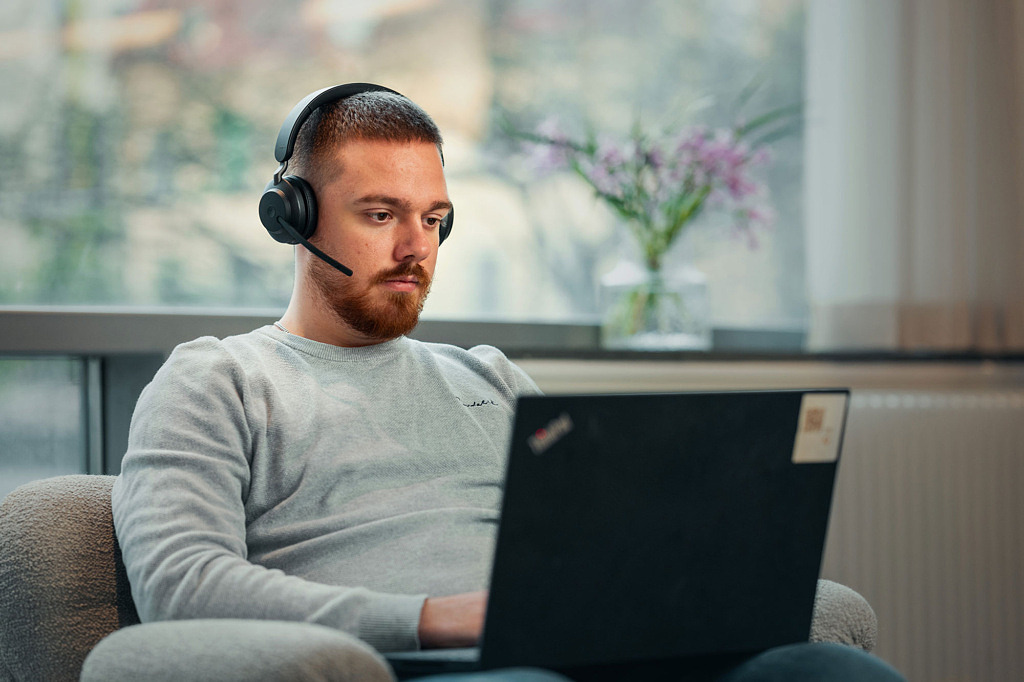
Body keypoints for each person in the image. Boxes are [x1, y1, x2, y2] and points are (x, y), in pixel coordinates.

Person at [111, 84, 905, 682]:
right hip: (421, 667)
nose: (416, 248)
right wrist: (431, 620)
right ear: (294, 218)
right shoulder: (218, 378)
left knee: (832, 672)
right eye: (381, 215)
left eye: (434, 219)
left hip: (581, 651)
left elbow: (604, 543)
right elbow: (183, 586)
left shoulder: (486, 375)